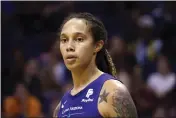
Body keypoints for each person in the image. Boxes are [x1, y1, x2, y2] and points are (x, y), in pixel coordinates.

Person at [53, 12, 137, 118]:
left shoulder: (113, 92)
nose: (69, 47)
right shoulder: (60, 108)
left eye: (79, 39)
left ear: (97, 46)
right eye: (64, 40)